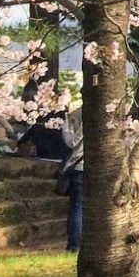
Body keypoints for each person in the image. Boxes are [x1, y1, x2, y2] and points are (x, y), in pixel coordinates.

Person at [60, 105, 83, 253]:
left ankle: (74, 246)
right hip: (96, 168)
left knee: (77, 208)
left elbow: (72, 142)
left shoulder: (87, 121)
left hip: (80, 167)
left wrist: (66, 126)